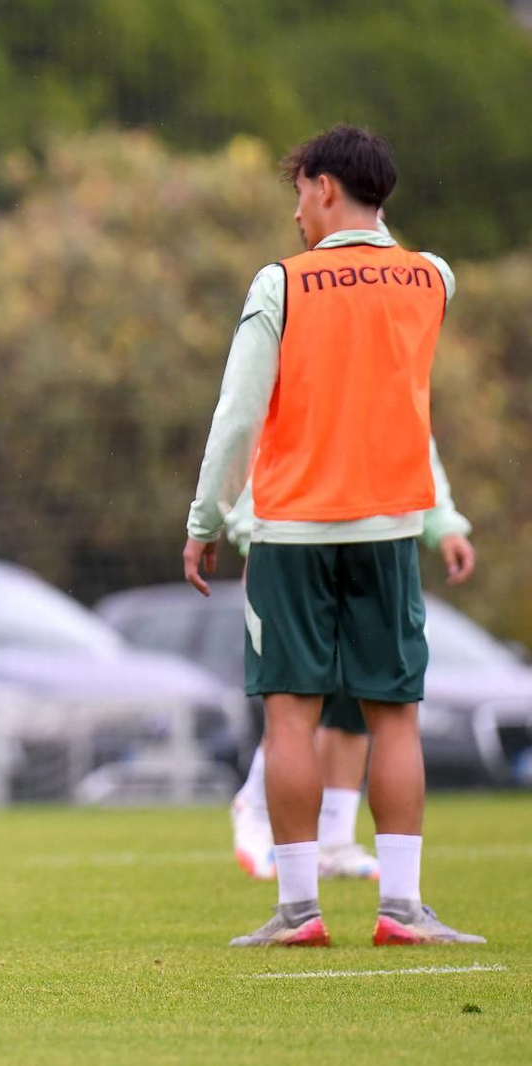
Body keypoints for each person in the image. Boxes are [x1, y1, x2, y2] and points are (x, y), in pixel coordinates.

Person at [184, 124, 482, 946]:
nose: (295, 216)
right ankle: (404, 909)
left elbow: (238, 415)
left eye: (297, 195)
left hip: (291, 533)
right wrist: (441, 517)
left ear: (322, 186)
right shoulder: (433, 279)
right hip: (389, 527)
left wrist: (205, 520)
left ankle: (297, 911)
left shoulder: (282, 284)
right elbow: (407, 411)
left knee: (290, 719)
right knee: (394, 718)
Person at [225, 442, 475, 882]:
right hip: (296, 531)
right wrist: (249, 530)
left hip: (376, 533)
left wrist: (442, 522)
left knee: (365, 695)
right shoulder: (297, 369)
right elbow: (252, 425)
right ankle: (257, 805)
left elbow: (411, 435)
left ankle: (335, 838)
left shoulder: (394, 370)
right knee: (296, 692)